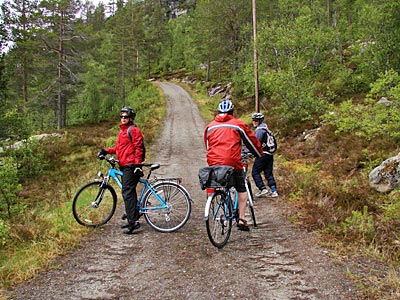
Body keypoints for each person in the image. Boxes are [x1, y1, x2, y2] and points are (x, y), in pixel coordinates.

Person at [204, 99, 263, 231]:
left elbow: (208, 146)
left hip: (214, 163)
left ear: (218, 112)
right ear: (232, 112)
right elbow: (251, 142)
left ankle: (217, 201)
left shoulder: (210, 127)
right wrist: (259, 154)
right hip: (232, 163)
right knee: (241, 189)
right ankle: (241, 219)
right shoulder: (237, 125)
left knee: (217, 183)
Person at [98, 106, 145, 234]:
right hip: (124, 165)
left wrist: (137, 165)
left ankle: (132, 223)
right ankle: (133, 216)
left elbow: (138, 148)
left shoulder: (133, 130)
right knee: (129, 192)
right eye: (122, 116)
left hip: (131, 165)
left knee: (127, 192)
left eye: (126, 117)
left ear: (131, 118)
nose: (123, 119)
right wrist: (106, 151)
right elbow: (119, 149)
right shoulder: (122, 131)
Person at [251, 112, 278, 198]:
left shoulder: (259, 130)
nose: (254, 122)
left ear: (260, 121)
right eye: (253, 120)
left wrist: (248, 152)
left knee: (255, 172)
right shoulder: (267, 130)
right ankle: (273, 190)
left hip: (262, 154)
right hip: (270, 154)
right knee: (268, 172)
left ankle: (262, 188)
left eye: (256, 121)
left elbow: (256, 143)